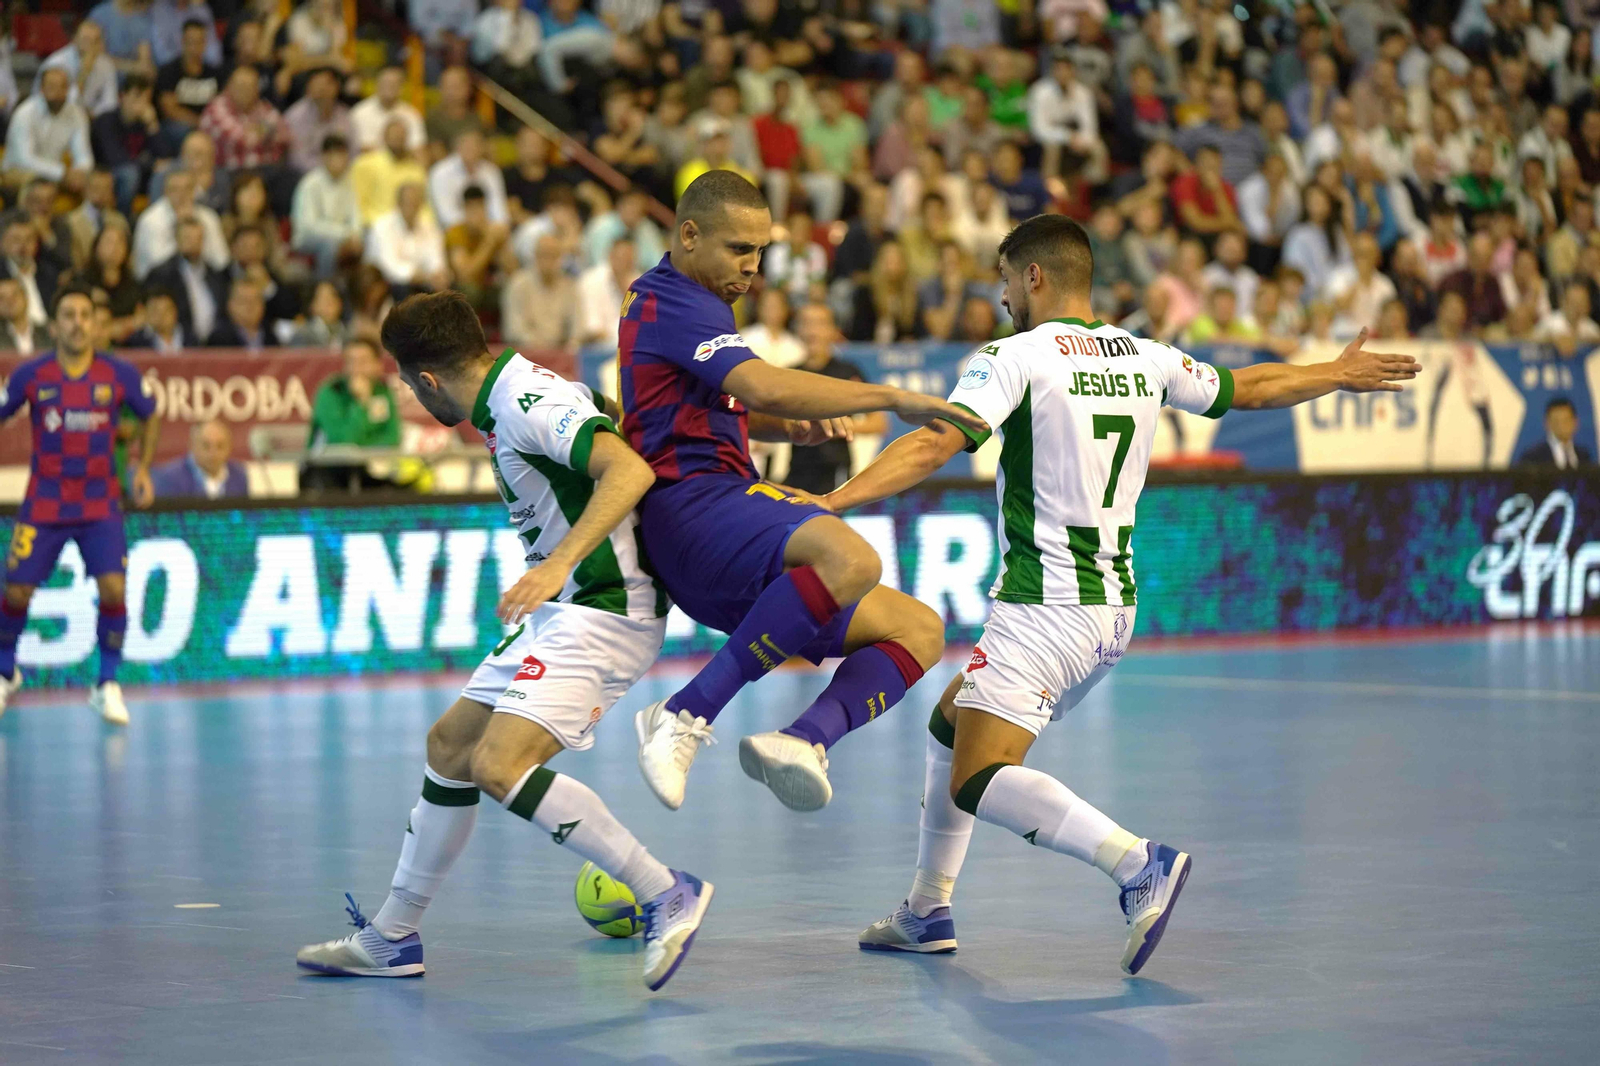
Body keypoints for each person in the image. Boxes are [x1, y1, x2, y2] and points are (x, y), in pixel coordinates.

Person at [821, 214, 1417, 970]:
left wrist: (832, 504)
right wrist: (1332, 372)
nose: (1001, 296)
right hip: (1112, 610)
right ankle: (926, 909)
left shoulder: (1013, 355)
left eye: (1005, 279)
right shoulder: (1143, 354)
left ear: (1033, 277)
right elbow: (1248, 389)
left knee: (976, 776)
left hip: (1045, 603)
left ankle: (1138, 864)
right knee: (951, 724)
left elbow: (938, 440)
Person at [295, 292, 713, 991]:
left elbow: (628, 470)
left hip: (608, 609)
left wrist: (556, 565)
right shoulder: (509, 394)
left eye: (407, 383)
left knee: (497, 765)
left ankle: (665, 891)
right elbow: (607, 422)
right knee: (450, 747)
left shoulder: (523, 402)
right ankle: (393, 937)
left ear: (427, 380)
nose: (410, 394)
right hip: (567, 611)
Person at [622, 171, 986, 812]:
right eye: (739, 249)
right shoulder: (672, 299)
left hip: (723, 517)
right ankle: (684, 712)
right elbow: (760, 383)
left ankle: (803, 740)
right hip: (691, 511)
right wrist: (892, 394)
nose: (753, 266)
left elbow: (717, 403)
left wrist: (780, 426)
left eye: (761, 251)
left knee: (919, 631)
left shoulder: (698, 303)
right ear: (688, 234)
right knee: (851, 558)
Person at [0, 286, 161, 723]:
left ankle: (106, 683)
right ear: (54, 326)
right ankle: (5, 671)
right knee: (16, 592)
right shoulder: (31, 375)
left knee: (113, 590)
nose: (77, 323)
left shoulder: (120, 374)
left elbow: (150, 414)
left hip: (100, 505)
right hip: (45, 503)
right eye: (67, 315)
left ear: (96, 324)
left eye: (85, 315)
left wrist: (142, 469)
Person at [783, 302, 887, 494]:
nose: (812, 330)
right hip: (797, 470)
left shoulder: (847, 373)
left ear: (833, 330)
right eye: (806, 323)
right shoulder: (789, 375)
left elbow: (878, 423)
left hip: (835, 470)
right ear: (797, 330)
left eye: (820, 323)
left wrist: (840, 425)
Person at [4, 67, 93, 193]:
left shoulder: (77, 114)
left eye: (61, 86)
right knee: (39, 185)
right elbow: (25, 159)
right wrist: (62, 173)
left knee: (96, 183)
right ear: (41, 89)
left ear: (67, 89)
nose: (56, 92)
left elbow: (83, 155)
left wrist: (80, 172)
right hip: (19, 171)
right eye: (51, 86)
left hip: (57, 174)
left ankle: (83, 213)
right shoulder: (25, 113)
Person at [145, 216, 227, 342]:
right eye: (187, 238)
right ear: (177, 240)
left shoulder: (215, 274)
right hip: (179, 345)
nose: (193, 243)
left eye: (197, 238)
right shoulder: (161, 274)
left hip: (214, 344)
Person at [365, 182, 449, 297]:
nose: (412, 207)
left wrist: (438, 274)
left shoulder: (429, 227)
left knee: (449, 289)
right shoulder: (382, 227)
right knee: (404, 289)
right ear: (398, 203)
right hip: (387, 282)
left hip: (422, 281)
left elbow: (435, 258)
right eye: (408, 202)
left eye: (416, 203)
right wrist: (415, 275)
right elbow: (389, 267)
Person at [501, 233, 579, 353]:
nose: (548, 260)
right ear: (535, 256)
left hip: (560, 354)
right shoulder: (518, 284)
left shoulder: (570, 287)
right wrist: (539, 347)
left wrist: (571, 345)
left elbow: (577, 328)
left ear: (560, 258)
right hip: (526, 354)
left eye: (553, 255)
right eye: (543, 255)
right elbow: (514, 330)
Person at [150, 419, 249, 499]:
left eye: (220, 446)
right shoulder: (171, 478)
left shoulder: (239, 476)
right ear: (192, 445)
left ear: (229, 447)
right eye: (206, 446)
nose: (213, 453)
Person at [1517, 398, 1591, 468]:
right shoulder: (1533, 457)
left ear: (1575, 422)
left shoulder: (1584, 455)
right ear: (1547, 423)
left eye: (1565, 421)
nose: (1561, 426)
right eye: (1556, 421)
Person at [0, 278, 49, 354]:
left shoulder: (48, 333)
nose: (10, 301)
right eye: (2, 298)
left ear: (26, 297)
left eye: (15, 295)